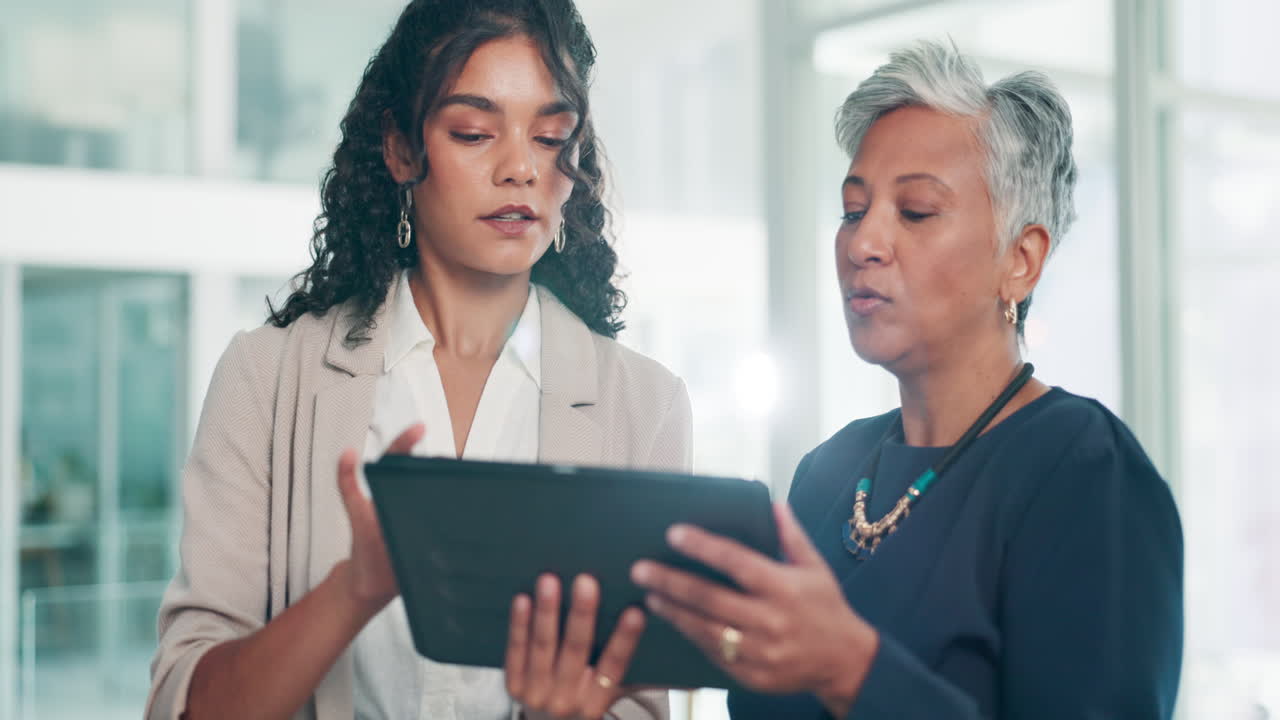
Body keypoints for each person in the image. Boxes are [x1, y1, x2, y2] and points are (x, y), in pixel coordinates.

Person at [145, 2, 689, 719]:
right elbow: (183, 708)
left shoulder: (644, 406)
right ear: (401, 149)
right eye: (474, 131)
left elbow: (645, 704)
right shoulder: (267, 378)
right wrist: (353, 592)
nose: (522, 168)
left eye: (552, 136)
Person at [629, 41, 1183, 718]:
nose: (864, 243)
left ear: (1021, 259)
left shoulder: (1085, 474)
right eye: (853, 209)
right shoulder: (826, 475)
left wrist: (852, 668)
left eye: (915, 211)